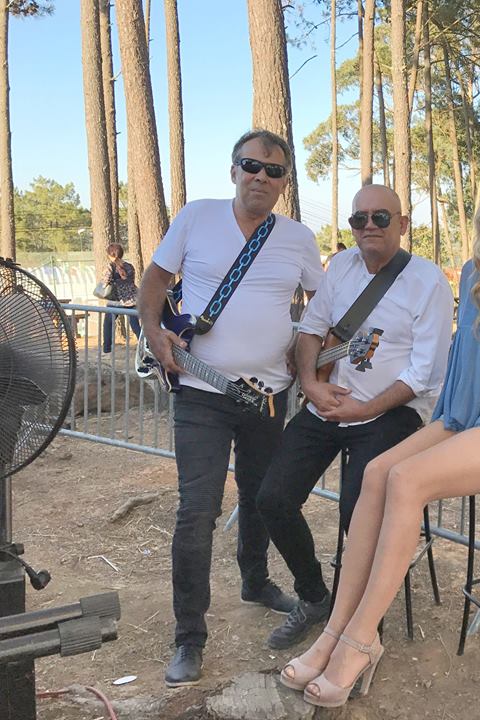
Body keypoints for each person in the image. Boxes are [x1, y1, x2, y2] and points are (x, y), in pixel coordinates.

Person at [277, 164, 480, 708]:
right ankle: (335, 631)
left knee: (406, 479)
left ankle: (360, 640)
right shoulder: (474, 274)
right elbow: (464, 366)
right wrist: (448, 421)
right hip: (470, 414)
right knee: (377, 472)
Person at [137, 129, 325, 687]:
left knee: (261, 497)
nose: (261, 177)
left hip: (268, 396)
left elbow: (322, 303)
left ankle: (255, 581)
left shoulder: (298, 238)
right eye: (251, 165)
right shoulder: (196, 217)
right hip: (202, 392)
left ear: (285, 182)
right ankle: (189, 637)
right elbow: (154, 283)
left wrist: (306, 348)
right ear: (234, 169)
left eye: (274, 170)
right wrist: (154, 332)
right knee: (197, 510)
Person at [255, 183, 455, 651]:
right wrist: (311, 384)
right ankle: (315, 598)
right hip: (328, 404)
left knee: (356, 515)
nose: (369, 226)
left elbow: (424, 372)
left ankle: (358, 627)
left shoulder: (428, 283)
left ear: (402, 225)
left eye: (380, 218)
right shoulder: (341, 266)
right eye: (358, 219)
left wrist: (365, 408)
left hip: (390, 414)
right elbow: (312, 329)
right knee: (273, 498)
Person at [100, 243, 141, 354]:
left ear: (110, 255)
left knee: (108, 323)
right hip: (132, 299)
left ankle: (107, 348)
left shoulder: (110, 267)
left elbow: (105, 282)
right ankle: (144, 345)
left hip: (116, 300)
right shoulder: (129, 266)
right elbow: (130, 281)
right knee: (135, 325)